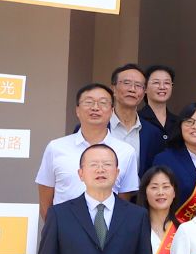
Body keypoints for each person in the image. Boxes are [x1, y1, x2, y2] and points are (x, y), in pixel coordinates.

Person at [36, 83, 138, 219]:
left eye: (103, 103)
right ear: (77, 110)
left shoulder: (126, 151)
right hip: (65, 228)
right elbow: (45, 200)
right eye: (88, 102)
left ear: (112, 111)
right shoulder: (56, 148)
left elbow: (124, 201)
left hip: (107, 229)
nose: (95, 107)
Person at [151, 103, 196, 222]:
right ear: (180, 126)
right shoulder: (164, 159)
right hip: (176, 227)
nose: (195, 126)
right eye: (189, 122)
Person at [109, 63, 154, 182]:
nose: (132, 89)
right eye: (126, 83)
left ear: (144, 92)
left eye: (138, 85)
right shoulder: (96, 126)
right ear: (113, 88)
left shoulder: (152, 134)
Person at [142, 65, 175, 168]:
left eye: (167, 83)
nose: (162, 87)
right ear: (145, 88)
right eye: (156, 82)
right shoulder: (137, 119)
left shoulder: (179, 122)